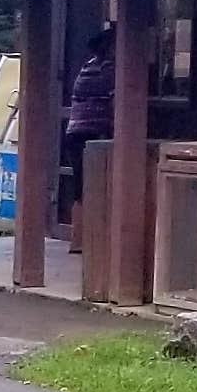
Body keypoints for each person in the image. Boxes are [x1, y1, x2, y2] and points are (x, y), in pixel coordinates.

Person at [58, 28, 114, 238]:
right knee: (92, 186)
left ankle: (77, 238)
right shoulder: (107, 70)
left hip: (75, 132)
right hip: (92, 133)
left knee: (80, 186)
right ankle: (88, 238)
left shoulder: (86, 68)